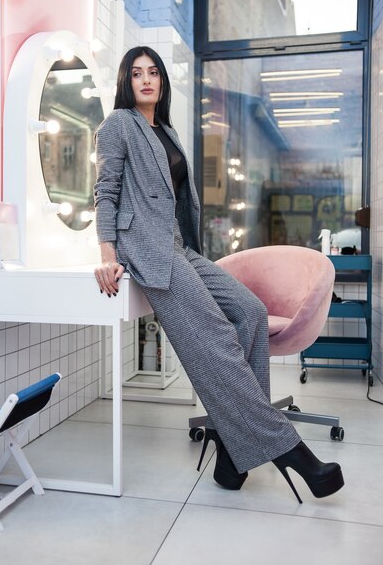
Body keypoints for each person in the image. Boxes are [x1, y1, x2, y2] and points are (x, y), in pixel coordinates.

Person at [93, 46, 344, 501]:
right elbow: (106, 190)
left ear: (163, 81)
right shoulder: (118, 125)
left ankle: (232, 455)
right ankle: (288, 449)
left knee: (249, 313)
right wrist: (108, 253)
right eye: (136, 74)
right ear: (125, 82)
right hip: (149, 251)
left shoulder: (165, 129)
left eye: (153, 72)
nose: (145, 80)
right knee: (217, 338)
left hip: (181, 247)